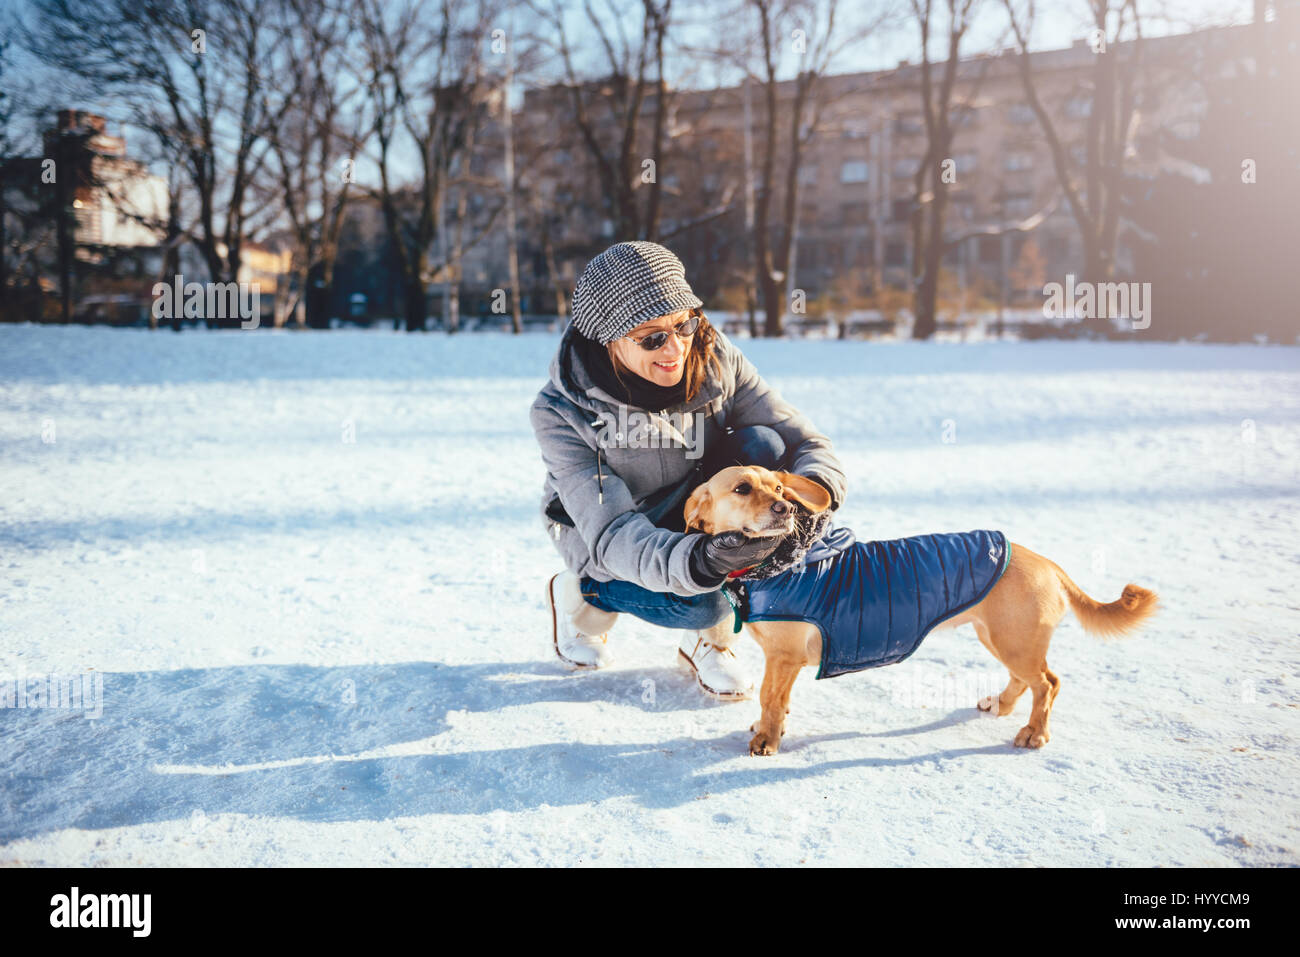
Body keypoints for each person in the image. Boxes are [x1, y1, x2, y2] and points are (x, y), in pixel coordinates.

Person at [530, 241, 847, 699]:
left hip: (703, 497)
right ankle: (583, 598)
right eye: (652, 337)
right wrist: (701, 561)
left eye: (683, 325)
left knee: (765, 445)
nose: (676, 348)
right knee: (702, 600)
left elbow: (799, 437)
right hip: (617, 531)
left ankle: (712, 641)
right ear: (607, 337)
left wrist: (818, 490)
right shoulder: (562, 411)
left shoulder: (716, 357)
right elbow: (612, 531)